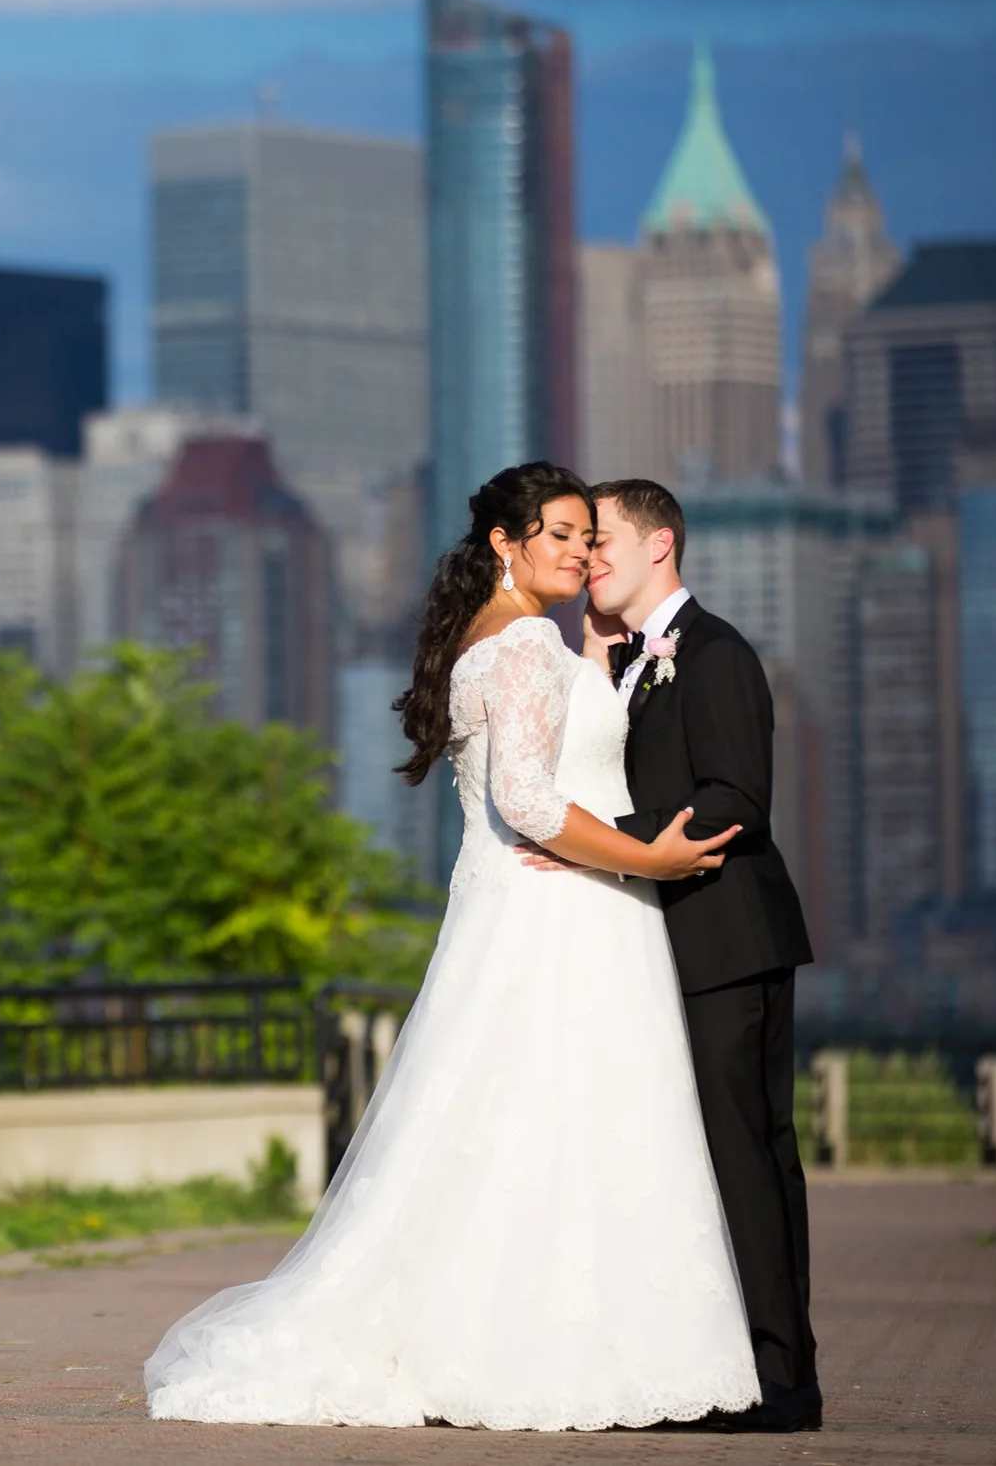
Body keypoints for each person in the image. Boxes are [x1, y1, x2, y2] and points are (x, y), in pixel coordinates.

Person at [144, 462, 756, 1430]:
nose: (577, 550)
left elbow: (559, 756)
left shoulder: (521, 639)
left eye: (584, 535)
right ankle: (536, 1347)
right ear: (505, 546)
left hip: (531, 907)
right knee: (555, 1120)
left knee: (530, 1126)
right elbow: (527, 796)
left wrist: (592, 651)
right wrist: (650, 855)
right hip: (560, 915)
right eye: (556, 533)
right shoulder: (517, 645)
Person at [564, 478, 821, 1433]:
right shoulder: (628, 659)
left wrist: (609, 841)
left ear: (660, 543)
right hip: (662, 945)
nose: (590, 558)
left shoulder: (713, 654)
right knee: (703, 1159)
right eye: (582, 544)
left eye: (604, 541)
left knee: (748, 1153)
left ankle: (783, 1379)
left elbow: (736, 797)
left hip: (728, 936)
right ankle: (727, 1365)